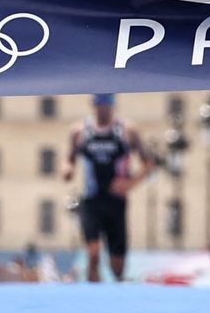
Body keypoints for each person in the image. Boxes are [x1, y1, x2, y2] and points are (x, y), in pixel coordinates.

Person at [63, 93, 154, 282]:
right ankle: (93, 292)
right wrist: (67, 169)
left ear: (112, 105)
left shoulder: (127, 130)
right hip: (91, 199)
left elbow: (149, 163)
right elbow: (69, 158)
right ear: (93, 104)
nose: (102, 109)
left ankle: (116, 290)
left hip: (116, 202)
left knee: (117, 265)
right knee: (93, 252)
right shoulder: (80, 131)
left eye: (106, 104)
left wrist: (130, 183)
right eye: (99, 104)